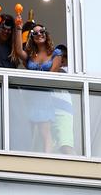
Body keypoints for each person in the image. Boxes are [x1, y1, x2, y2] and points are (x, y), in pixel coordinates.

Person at [13, 17, 63, 152]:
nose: (39, 34)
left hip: (44, 96)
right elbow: (18, 51)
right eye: (35, 33)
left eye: (42, 31)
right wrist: (18, 28)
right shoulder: (30, 55)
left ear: (46, 34)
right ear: (32, 37)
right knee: (27, 133)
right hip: (29, 96)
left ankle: (47, 164)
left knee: (45, 133)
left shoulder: (55, 53)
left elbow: (52, 75)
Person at [53, 45, 75, 156]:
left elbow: (57, 73)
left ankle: (78, 169)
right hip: (52, 111)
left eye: (63, 57)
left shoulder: (67, 71)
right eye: (57, 56)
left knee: (65, 145)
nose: (61, 60)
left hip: (63, 111)